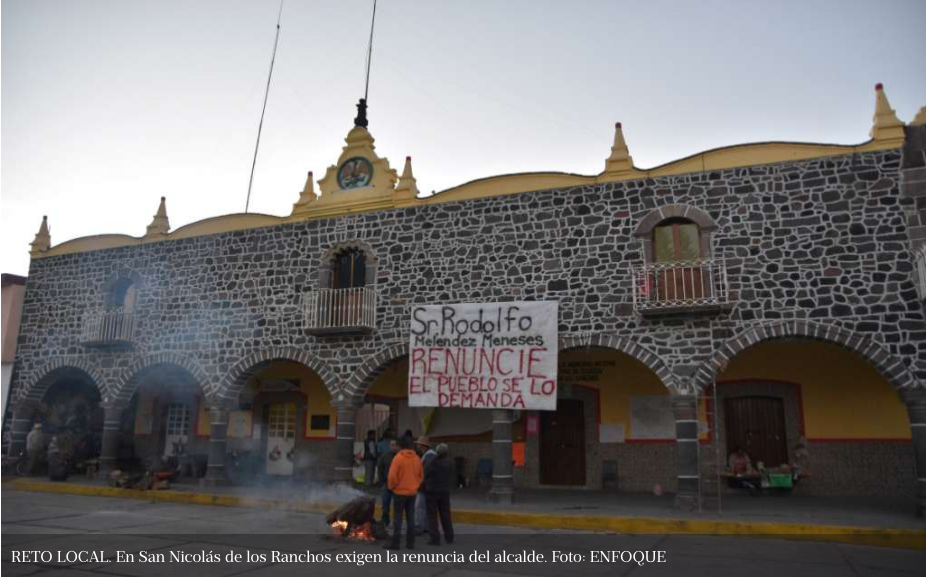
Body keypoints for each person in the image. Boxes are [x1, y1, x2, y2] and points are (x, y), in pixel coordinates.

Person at [385, 435, 423, 550]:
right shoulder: (416, 458)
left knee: (398, 518)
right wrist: (415, 485)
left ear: (400, 446)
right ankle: (410, 543)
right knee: (410, 518)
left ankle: (396, 543)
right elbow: (421, 476)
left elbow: (392, 476)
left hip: (399, 493)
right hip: (412, 493)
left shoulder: (398, 458)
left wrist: (392, 487)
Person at [424, 443, 454, 546]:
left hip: (432, 492)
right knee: (445, 514)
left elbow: (425, 474)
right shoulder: (450, 462)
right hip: (444, 491)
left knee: (432, 515)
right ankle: (449, 536)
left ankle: (435, 538)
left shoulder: (433, 463)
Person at [415, 436, 436, 534]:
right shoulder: (428, 455)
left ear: (423, 446)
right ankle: (426, 526)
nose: (417, 446)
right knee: (426, 507)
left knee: (420, 507)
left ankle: (420, 526)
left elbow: (425, 472)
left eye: (418, 444)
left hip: (424, 487)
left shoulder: (429, 456)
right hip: (428, 486)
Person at [379, 439, 398, 527]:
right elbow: (380, 469)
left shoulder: (400, 456)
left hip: (397, 485)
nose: (393, 447)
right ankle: (385, 521)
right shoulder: (385, 456)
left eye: (395, 445)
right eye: (392, 445)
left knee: (397, 505)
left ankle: (396, 522)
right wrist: (382, 481)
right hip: (386, 484)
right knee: (385, 504)